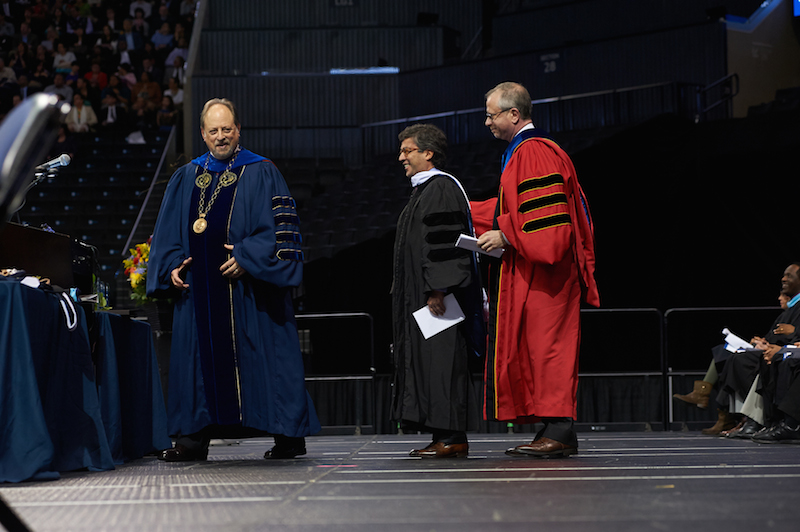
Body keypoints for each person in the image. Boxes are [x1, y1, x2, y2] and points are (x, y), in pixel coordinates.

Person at [147, 98, 320, 462]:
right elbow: (167, 233)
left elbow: (282, 231)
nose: (221, 136)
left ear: (238, 130)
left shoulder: (262, 170)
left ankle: (289, 438)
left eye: (227, 129)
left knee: (267, 361)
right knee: (195, 364)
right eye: (214, 131)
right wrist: (172, 266)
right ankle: (192, 441)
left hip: (249, 293)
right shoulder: (186, 177)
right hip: (199, 293)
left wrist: (246, 256)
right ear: (202, 134)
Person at [473, 81, 599, 458]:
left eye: (491, 115)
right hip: (537, 271)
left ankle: (559, 430)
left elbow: (550, 228)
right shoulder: (521, 153)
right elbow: (515, 208)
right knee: (536, 348)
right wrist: (466, 212)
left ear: (514, 114)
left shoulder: (535, 153)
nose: (487, 123)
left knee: (549, 349)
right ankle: (555, 429)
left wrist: (506, 235)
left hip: (549, 274)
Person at [390, 124, 484, 458]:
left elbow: (444, 245)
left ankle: (452, 435)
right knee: (431, 363)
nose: (401, 156)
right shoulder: (424, 190)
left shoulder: (441, 188)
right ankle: (441, 433)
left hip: (439, 299)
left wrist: (438, 289)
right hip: (427, 296)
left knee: (443, 363)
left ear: (428, 153)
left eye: (408, 150)